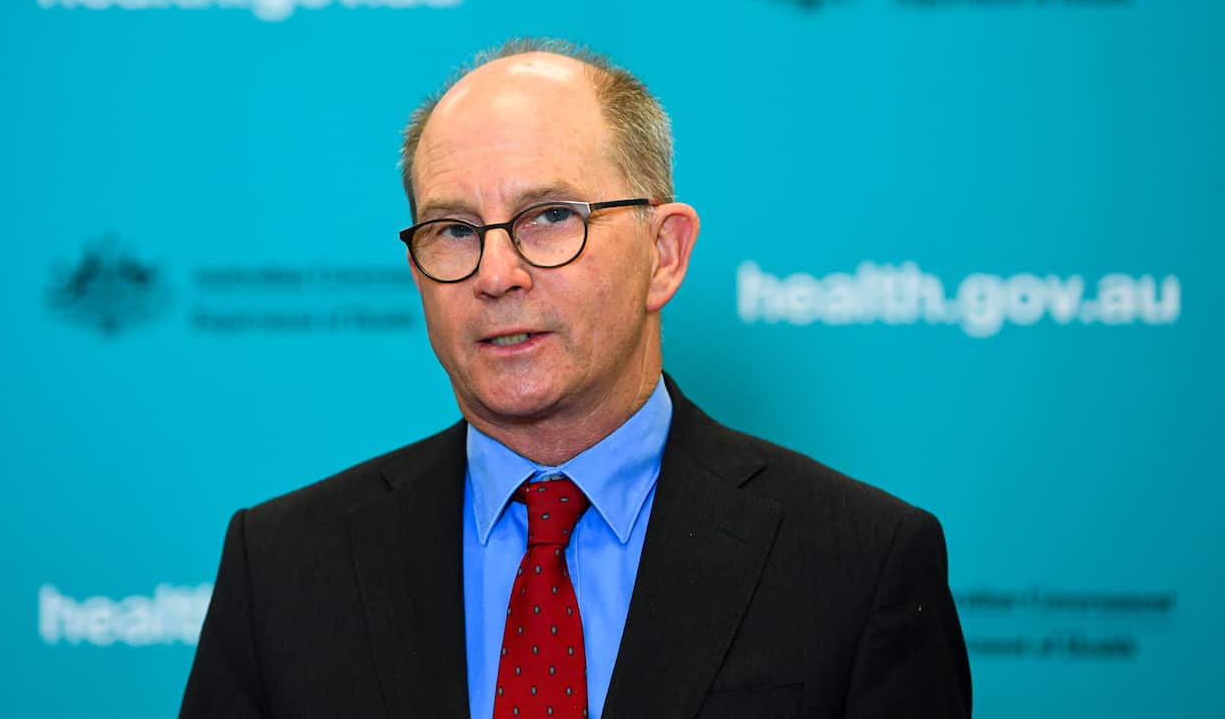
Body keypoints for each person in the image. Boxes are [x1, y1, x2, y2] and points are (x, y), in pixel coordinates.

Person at [180, 38, 972, 718]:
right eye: (454, 230)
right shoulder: (282, 565)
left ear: (664, 253)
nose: (496, 274)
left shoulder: (859, 563)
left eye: (551, 216)